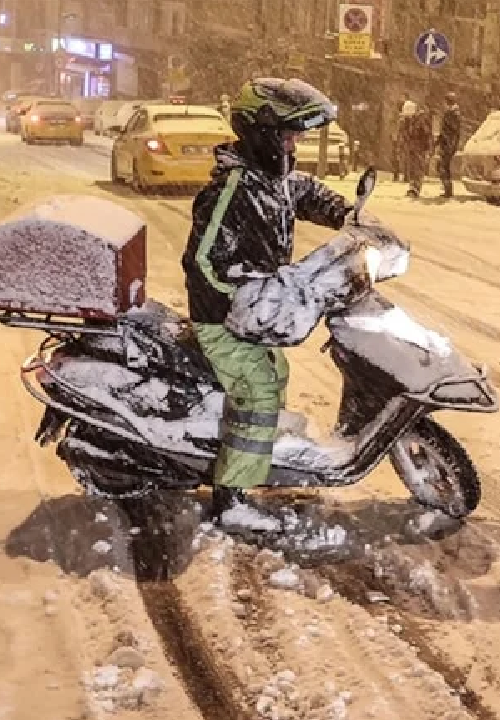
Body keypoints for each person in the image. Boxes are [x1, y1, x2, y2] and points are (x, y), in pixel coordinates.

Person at [180, 78, 353, 521]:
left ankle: (253, 455)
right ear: (263, 133)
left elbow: (304, 192)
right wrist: (242, 294)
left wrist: (348, 215)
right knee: (257, 390)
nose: (293, 145)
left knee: (275, 372)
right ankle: (231, 497)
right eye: (288, 136)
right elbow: (203, 259)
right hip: (224, 319)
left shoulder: (270, 179)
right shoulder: (233, 189)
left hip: (254, 315)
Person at [436, 92, 462, 199]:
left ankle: (448, 190)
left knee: (442, 166)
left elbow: (451, 131)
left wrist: (444, 139)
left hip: (448, 144)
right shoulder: (453, 113)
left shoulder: (452, 114)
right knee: (443, 166)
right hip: (448, 143)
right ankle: (447, 189)